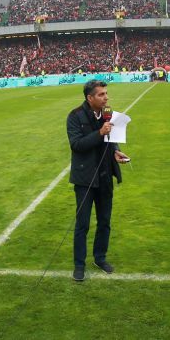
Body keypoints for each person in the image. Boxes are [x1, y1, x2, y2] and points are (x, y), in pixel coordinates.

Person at [66, 79, 129, 281]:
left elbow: (111, 140)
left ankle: (100, 258)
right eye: (101, 94)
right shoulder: (75, 116)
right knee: (82, 224)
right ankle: (79, 265)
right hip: (85, 179)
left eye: (106, 93)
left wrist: (116, 152)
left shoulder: (108, 114)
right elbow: (76, 145)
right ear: (89, 97)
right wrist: (99, 133)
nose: (106, 98)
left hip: (105, 176)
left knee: (104, 221)